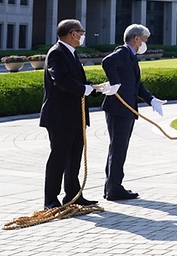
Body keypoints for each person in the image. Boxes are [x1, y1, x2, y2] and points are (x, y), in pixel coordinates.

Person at [40, 19, 119, 209]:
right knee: (59, 158)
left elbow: (77, 80)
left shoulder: (71, 53)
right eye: (80, 32)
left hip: (75, 116)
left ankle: (73, 195)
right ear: (72, 33)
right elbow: (61, 80)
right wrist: (84, 89)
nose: (82, 36)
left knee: (74, 157)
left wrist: (97, 88)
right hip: (60, 117)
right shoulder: (57, 53)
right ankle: (50, 199)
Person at [100, 24, 166, 200]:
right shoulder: (123, 52)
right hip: (119, 108)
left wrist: (151, 99)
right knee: (118, 147)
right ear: (136, 39)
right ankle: (114, 188)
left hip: (125, 109)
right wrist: (114, 83)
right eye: (144, 40)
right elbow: (107, 62)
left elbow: (136, 84)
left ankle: (113, 186)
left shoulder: (130, 56)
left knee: (119, 148)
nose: (145, 44)